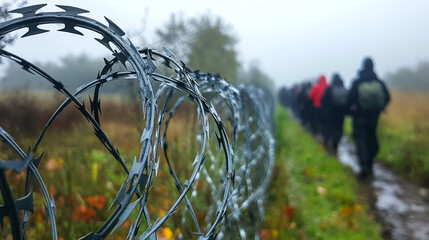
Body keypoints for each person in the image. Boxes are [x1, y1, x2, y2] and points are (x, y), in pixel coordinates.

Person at [346, 57, 390, 179]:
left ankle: (364, 166)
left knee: (361, 141)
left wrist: (349, 111)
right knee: (371, 139)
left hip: (359, 117)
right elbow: (387, 97)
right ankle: (369, 165)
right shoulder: (379, 82)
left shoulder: (357, 82)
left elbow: (349, 99)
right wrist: (379, 108)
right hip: (374, 117)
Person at [321, 73, 347, 152]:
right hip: (341, 112)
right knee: (339, 128)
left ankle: (327, 139)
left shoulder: (329, 88)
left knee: (330, 126)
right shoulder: (343, 88)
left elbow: (323, 100)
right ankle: (335, 141)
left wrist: (324, 109)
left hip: (330, 113)